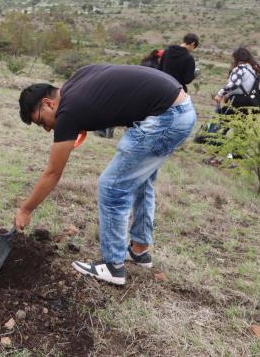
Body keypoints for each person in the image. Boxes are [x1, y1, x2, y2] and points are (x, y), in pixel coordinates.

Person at [14, 64, 196, 286]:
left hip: (165, 117)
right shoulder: (74, 83)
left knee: (112, 186)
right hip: (180, 109)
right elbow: (107, 94)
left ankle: (113, 266)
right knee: (140, 182)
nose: (47, 129)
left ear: (47, 103)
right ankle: (139, 250)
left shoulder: (68, 111)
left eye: (42, 121)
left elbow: (53, 172)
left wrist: (26, 209)